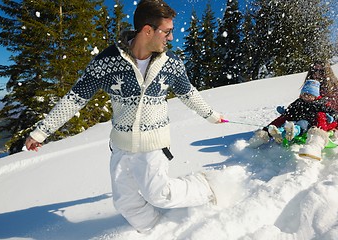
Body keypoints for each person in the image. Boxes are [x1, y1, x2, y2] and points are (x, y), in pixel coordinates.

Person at [25, 0, 223, 232]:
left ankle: (206, 187)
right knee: (125, 202)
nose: (170, 38)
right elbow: (75, 98)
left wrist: (211, 115)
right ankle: (159, 230)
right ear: (147, 30)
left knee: (159, 194)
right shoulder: (107, 62)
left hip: (154, 143)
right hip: (121, 145)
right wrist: (41, 131)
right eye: (167, 32)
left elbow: (188, 93)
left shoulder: (171, 63)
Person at [248, 61, 338, 160]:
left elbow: (332, 110)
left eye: (320, 71)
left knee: (319, 115)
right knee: (287, 117)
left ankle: (315, 145)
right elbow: (298, 105)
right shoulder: (308, 86)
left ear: (327, 72)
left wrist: (332, 117)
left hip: (324, 122)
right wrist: (287, 112)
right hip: (303, 117)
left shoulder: (333, 88)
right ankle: (265, 133)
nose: (316, 73)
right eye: (314, 70)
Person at [248, 80, 337, 149]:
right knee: (285, 122)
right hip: (294, 120)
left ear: (315, 96)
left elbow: (333, 113)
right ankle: (275, 132)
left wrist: (331, 117)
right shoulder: (298, 102)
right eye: (304, 94)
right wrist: (285, 112)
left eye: (309, 95)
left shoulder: (319, 104)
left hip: (309, 124)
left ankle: (292, 132)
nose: (306, 96)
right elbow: (289, 113)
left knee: (301, 124)